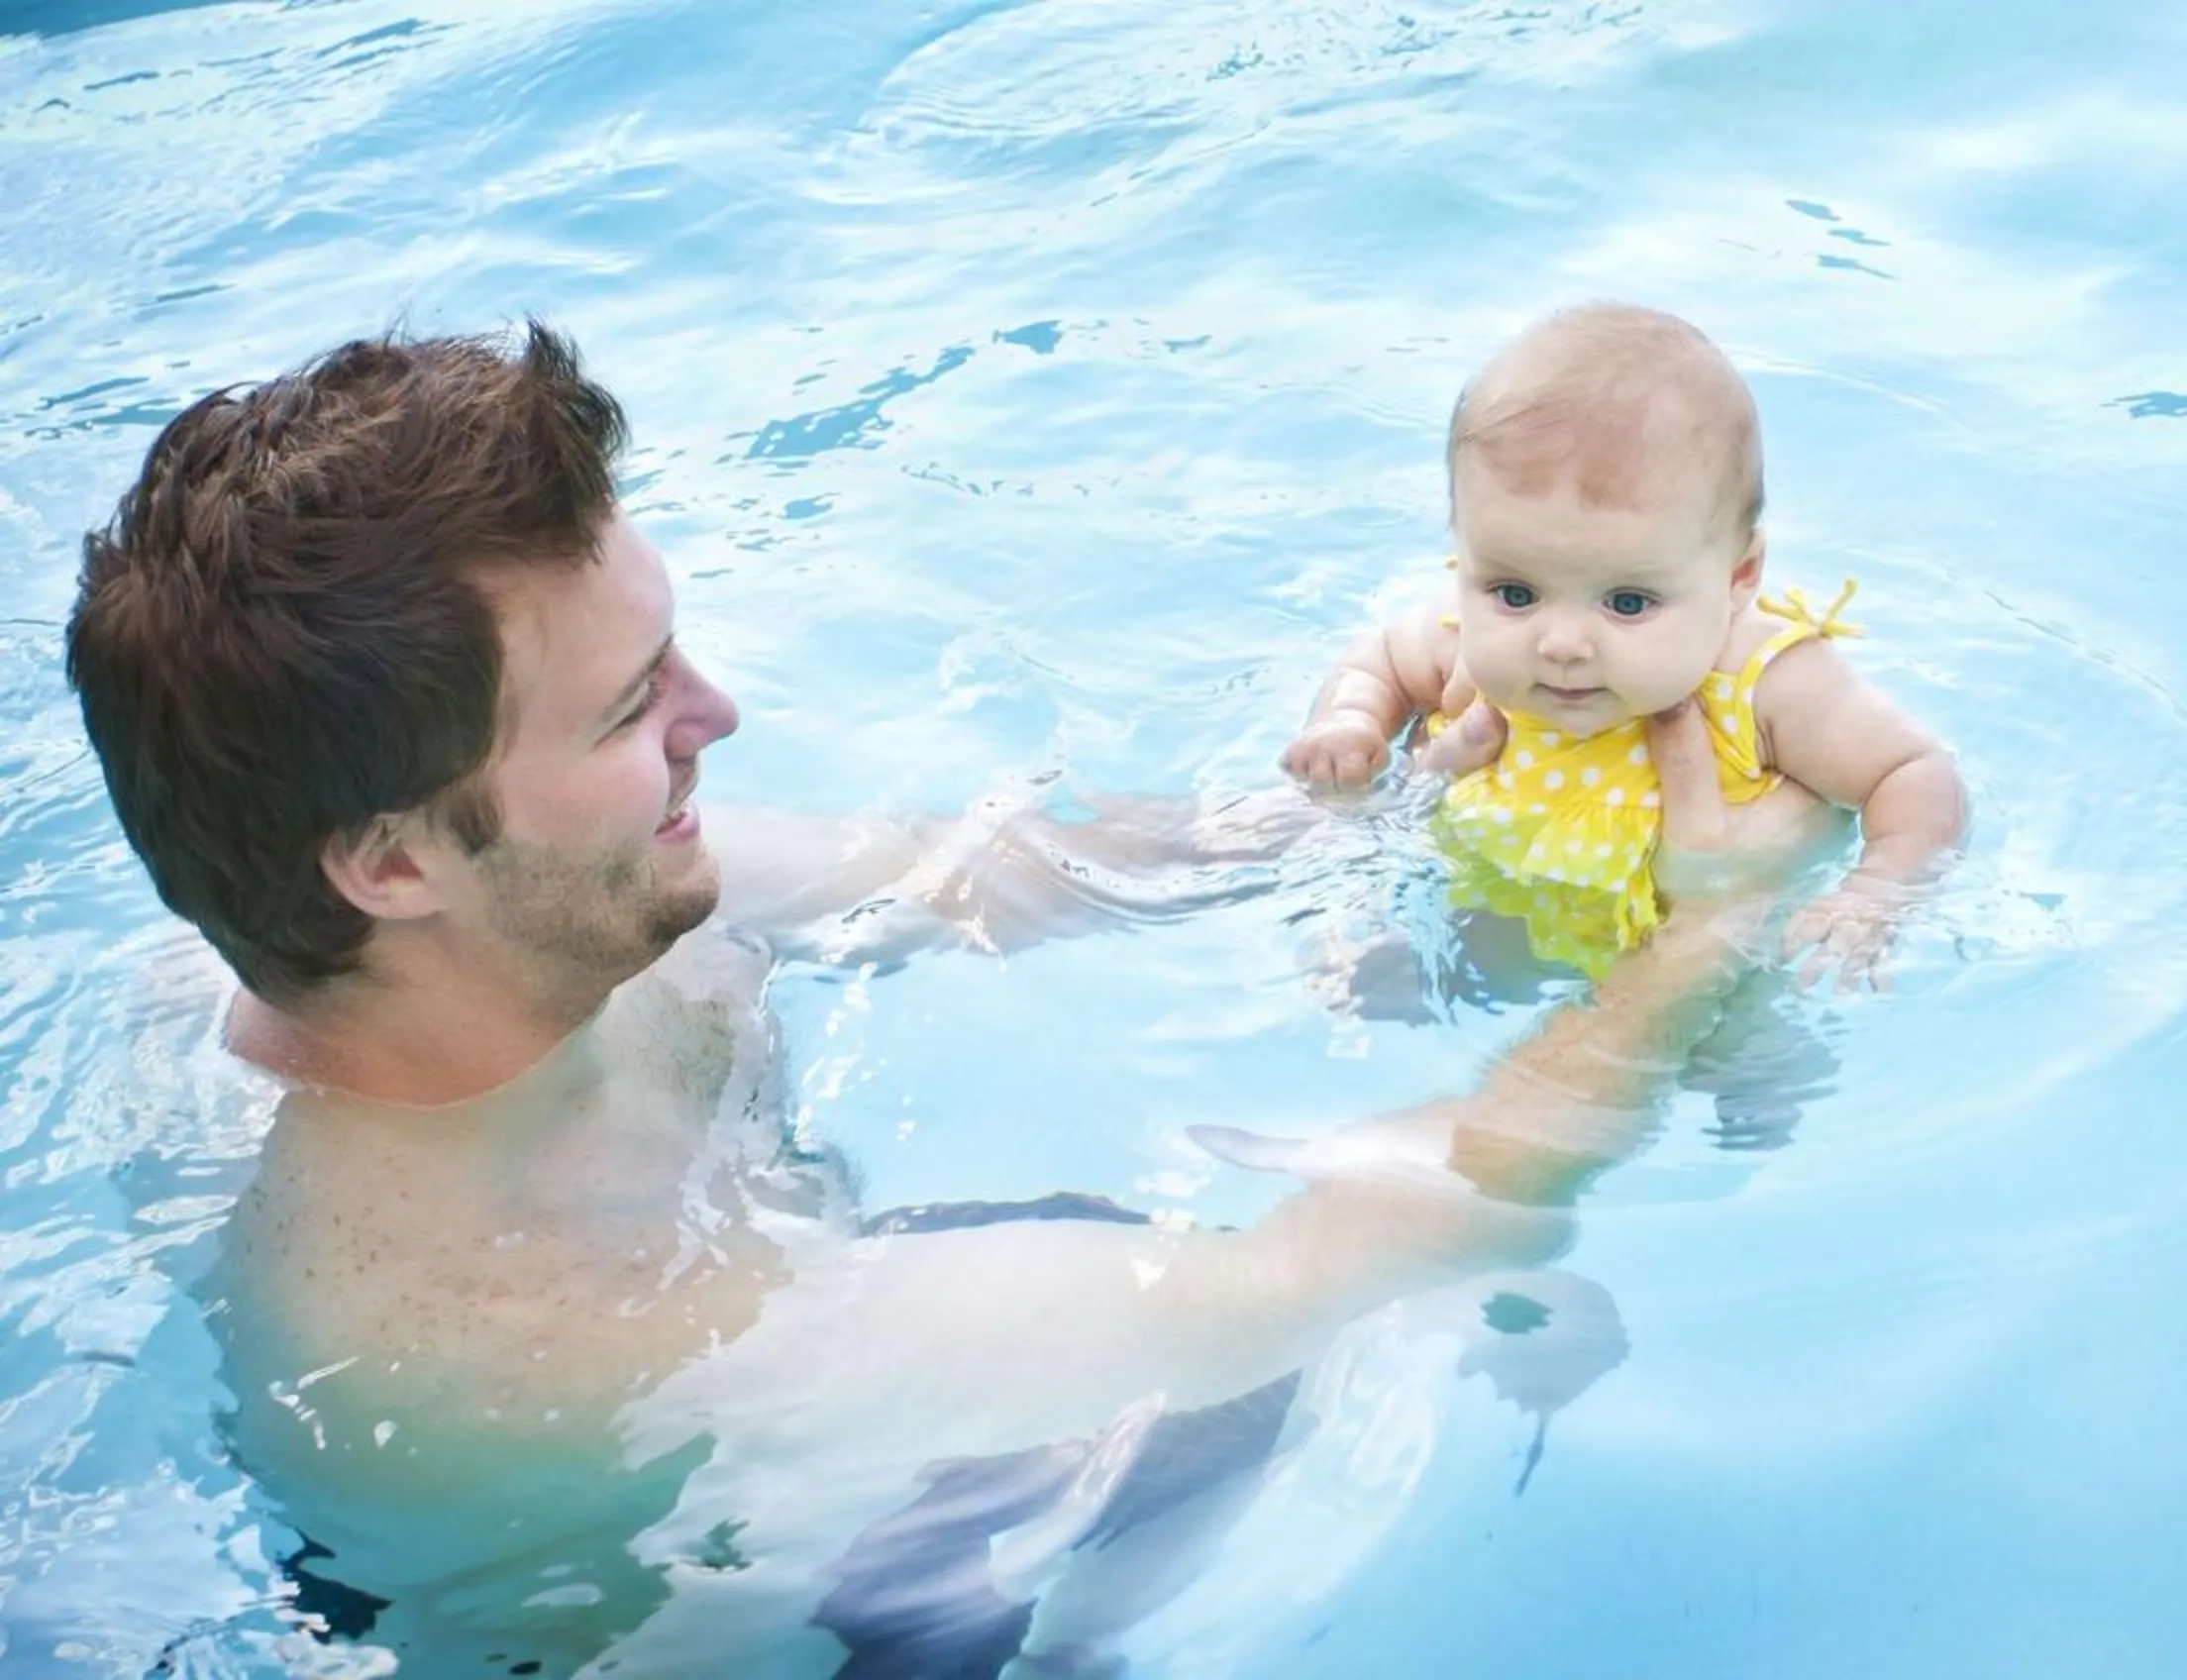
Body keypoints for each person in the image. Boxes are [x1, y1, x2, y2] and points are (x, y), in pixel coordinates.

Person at [64, 323, 1824, 1676]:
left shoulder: (481, 912)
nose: (720, 713)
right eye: (629, 712)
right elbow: (1363, 1245)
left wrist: (1389, 780)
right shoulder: (526, 1345)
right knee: (1412, 1347)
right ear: (389, 863)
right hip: (775, 1608)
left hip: (816, 1376)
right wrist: (1711, 925)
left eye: (670, 649)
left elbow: (969, 875)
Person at [1279, 301, 1966, 991]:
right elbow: (1378, 660)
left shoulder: (1761, 682)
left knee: (1746, 1057)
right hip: (1489, 904)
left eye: (1627, 603)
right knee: (1366, 987)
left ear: (1738, 577)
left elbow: (1911, 771)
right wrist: (1350, 722)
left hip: (1693, 952)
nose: (1561, 642)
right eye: (1516, 592)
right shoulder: (1463, 642)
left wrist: (1878, 892)